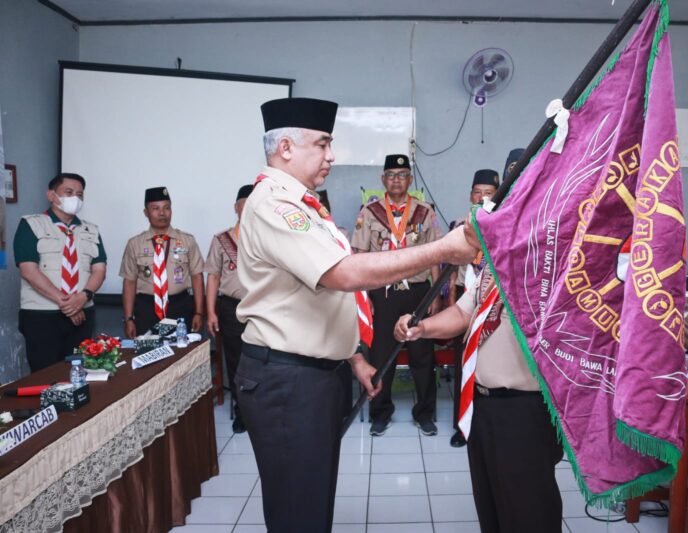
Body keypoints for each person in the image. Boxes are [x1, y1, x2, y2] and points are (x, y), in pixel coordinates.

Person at [235, 97, 479, 533]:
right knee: (298, 511)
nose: (332, 155)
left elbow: (313, 300)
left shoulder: (304, 204)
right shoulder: (275, 204)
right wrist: (444, 249)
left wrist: (354, 358)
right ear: (286, 147)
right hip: (289, 380)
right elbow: (344, 274)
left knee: (312, 500)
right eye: (324, 144)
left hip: (315, 373)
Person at [395, 267, 563, 533]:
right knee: (491, 507)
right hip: (481, 404)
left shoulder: (551, 262)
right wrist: (422, 328)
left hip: (524, 409)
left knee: (529, 512)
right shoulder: (494, 262)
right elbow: (464, 312)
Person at [350, 154, 443, 437]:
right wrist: (363, 298)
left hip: (417, 292)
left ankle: (425, 413)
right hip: (382, 293)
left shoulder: (425, 212)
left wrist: (436, 294)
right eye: (391, 175)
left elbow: (436, 256)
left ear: (410, 179)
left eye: (402, 174)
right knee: (381, 355)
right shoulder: (370, 213)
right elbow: (359, 257)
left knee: (422, 356)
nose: (396, 180)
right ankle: (381, 413)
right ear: (383, 180)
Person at [13, 173, 107, 372]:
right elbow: (29, 270)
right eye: (69, 192)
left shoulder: (91, 230)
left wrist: (84, 297)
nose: (76, 199)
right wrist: (68, 304)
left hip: (83, 314)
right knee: (45, 377)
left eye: (80, 195)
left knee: (80, 375)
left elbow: (99, 269)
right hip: (42, 317)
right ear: (51, 195)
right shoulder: (31, 224)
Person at [445, 168, 500, 448]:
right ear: (470, 195)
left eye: (488, 193)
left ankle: (482, 422)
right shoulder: (460, 225)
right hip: (466, 305)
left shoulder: (503, 224)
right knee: (462, 365)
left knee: (487, 367)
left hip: (495, 310)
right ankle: (461, 426)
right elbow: (451, 270)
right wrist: (451, 301)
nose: (481, 197)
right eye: (477, 192)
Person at [120, 187, 205, 338]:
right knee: (147, 355)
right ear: (146, 213)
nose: (162, 213)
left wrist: (199, 312)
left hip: (180, 306)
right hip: (147, 308)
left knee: (181, 355)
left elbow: (197, 277)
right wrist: (128, 319)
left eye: (167, 208)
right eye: (155, 208)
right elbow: (129, 282)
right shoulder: (135, 244)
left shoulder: (187, 240)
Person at [205, 184, 253, 434]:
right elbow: (212, 276)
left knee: (264, 361)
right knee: (236, 361)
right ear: (236, 207)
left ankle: (261, 412)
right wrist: (211, 312)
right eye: (245, 204)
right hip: (231, 308)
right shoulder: (222, 239)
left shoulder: (268, 237)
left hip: (263, 308)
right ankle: (242, 413)